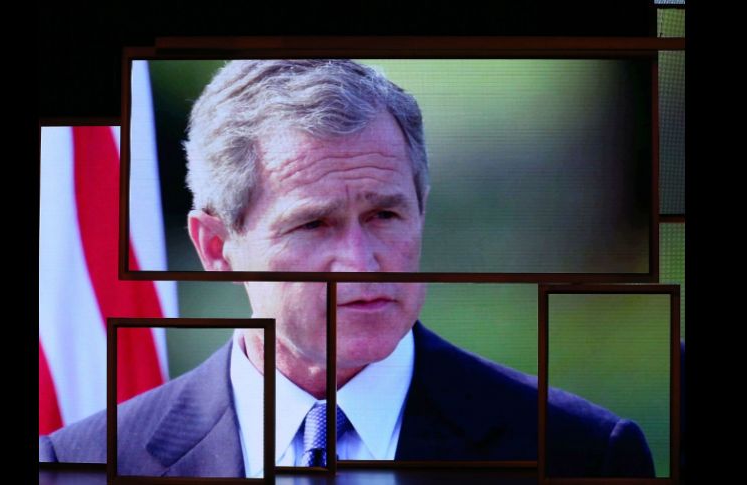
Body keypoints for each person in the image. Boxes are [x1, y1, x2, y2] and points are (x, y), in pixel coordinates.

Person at [39, 60, 655, 478]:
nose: (362, 263)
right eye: (314, 225)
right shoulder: (83, 466)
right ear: (216, 248)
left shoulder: (577, 455)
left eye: (386, 215)